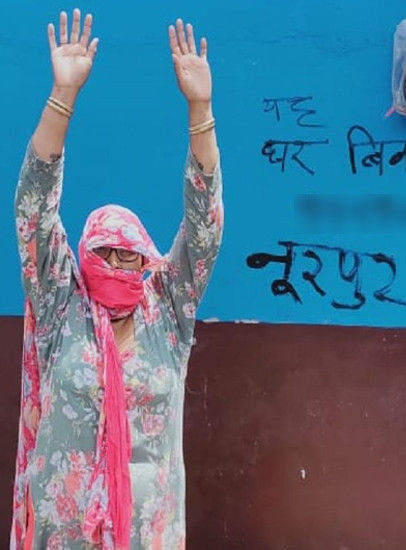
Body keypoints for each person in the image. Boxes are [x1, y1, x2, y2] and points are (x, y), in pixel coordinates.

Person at [11, 9, 224, 550]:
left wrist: (200, 110)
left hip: (147, 533)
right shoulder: (62, 307)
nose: (117, 263)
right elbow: (33, 214)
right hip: (64, 534)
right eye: (103, 252)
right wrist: (62, 97)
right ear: (83, 257)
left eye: (128, 254)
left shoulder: (168, 312)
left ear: (144, 259)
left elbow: (204, 230)